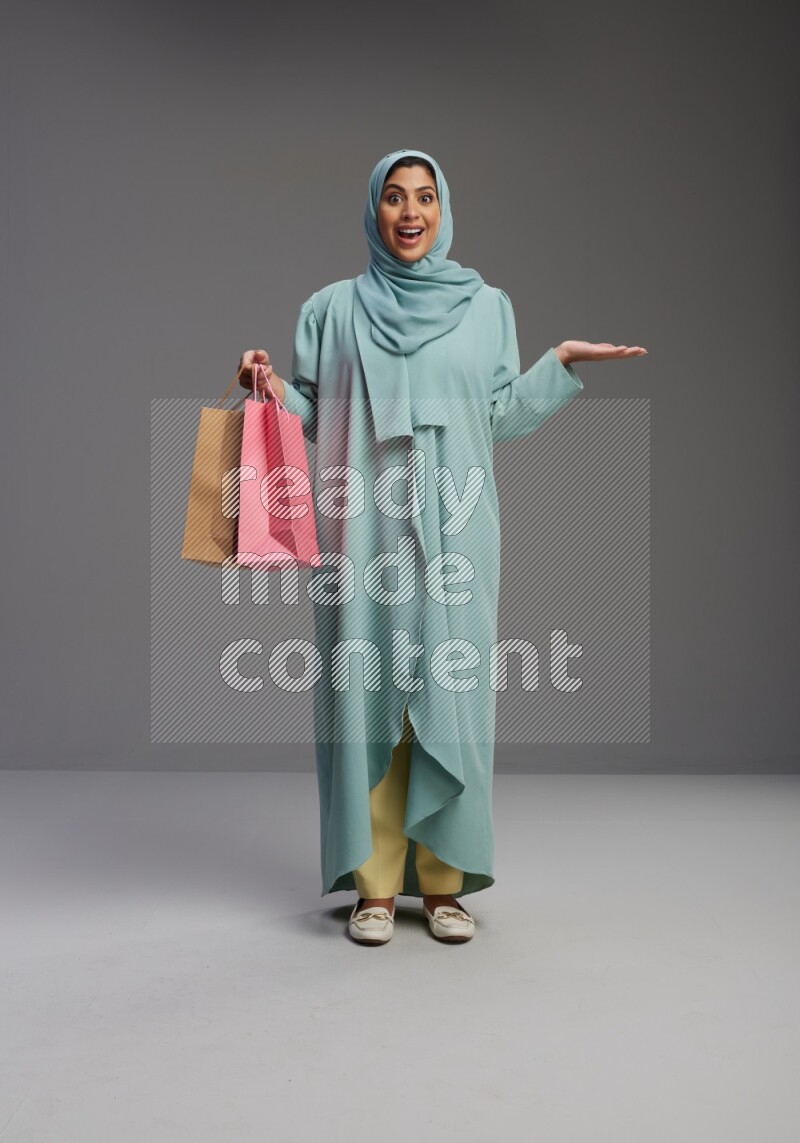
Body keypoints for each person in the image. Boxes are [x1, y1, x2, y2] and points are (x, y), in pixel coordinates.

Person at [237, 148, 646, 946]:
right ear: (374, 210)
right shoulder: (331, 309)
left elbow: (496, 414)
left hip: (459, 528)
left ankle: (445, 881)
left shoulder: (487, 308)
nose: (410, 211)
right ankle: (377, 887)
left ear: (444, 207)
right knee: (365, 703)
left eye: (425, 196)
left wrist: (558, 365)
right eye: (394, 197)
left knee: (451, 699)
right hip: (360, 530)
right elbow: (314, 412)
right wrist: (267, 384)